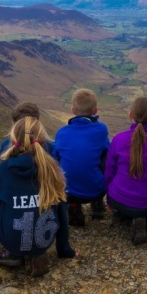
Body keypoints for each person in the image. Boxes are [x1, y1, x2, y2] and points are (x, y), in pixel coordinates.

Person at [0, 116, 78, 276]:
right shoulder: (52, 168)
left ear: (13, 140)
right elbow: (62, 209)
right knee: (56, 202)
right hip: (44, 241)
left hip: (11, 240)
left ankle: (12, 252)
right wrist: (64, 248)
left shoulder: (4, 168)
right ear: (43, 141)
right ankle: (37, 254)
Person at [105, 97, 147, 245]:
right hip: (143, 205)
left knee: (123, 202)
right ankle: (141, 221)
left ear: (130, 114)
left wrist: (109, 199)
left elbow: (109, 172)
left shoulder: (118, 139)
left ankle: (119, 215)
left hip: (116, 199)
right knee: (143, 209)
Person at [53, 88, 110, 226]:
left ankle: (73, 207)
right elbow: (109, 153)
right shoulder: (101, 129)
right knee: (105, 156)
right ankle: (97, 203)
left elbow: (55, 160)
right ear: (95, 111)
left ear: (73, 110)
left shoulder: (62, 132)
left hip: (68, 191)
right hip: (97, 189)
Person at [0, 102, 51, 222]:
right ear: (37, 123)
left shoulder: (6, 145)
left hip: (13, 204)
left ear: (15, 125)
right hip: (44, 207)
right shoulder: (50, 146)